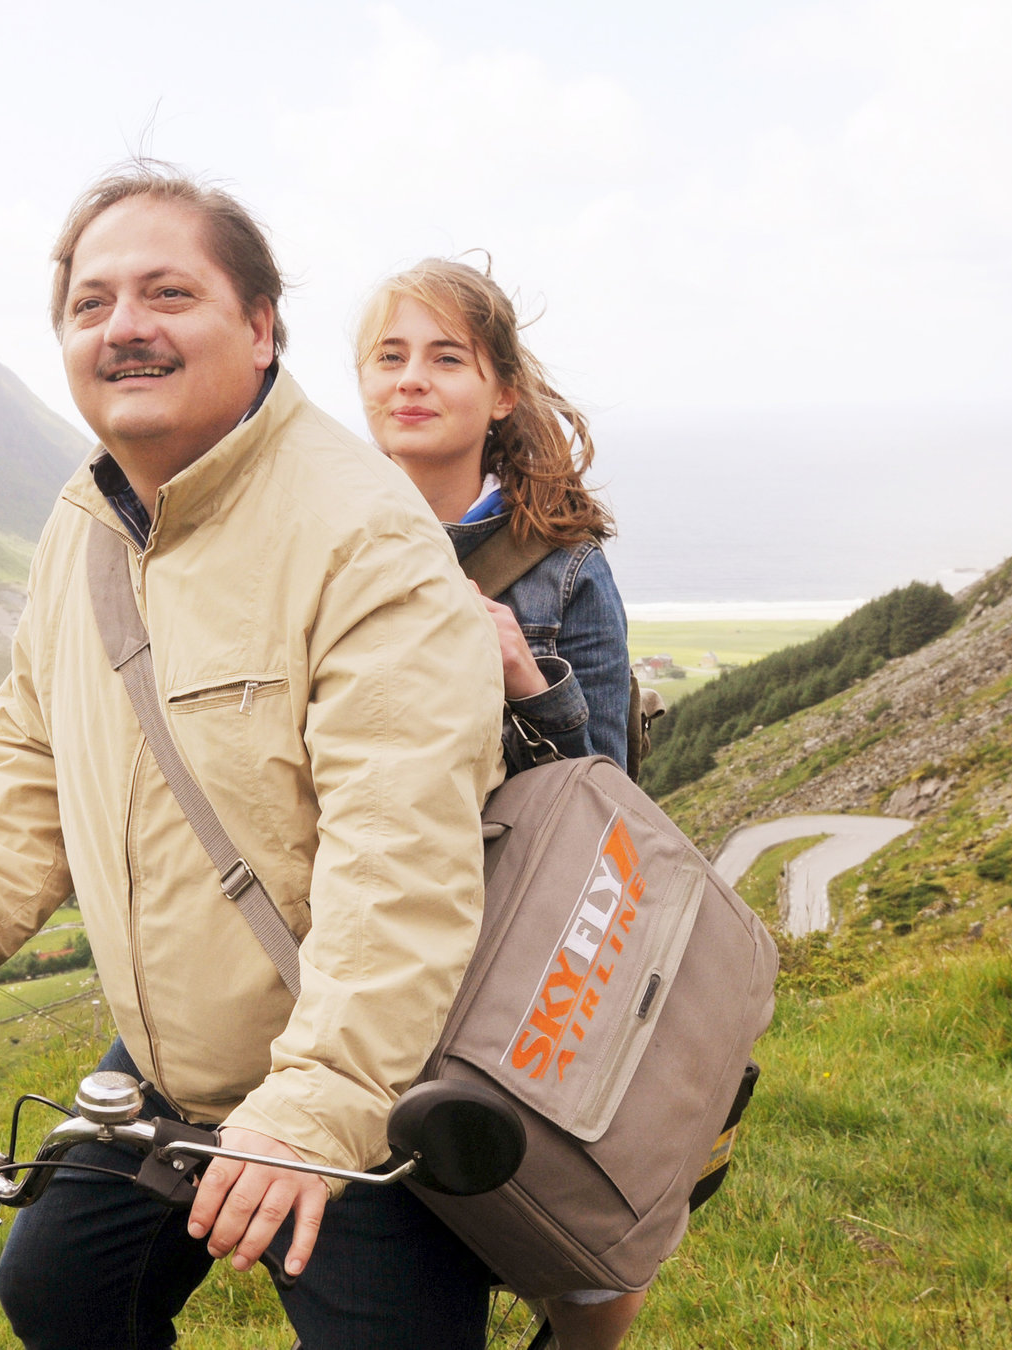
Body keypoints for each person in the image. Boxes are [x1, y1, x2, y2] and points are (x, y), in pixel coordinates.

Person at [0, 164, 509, 1350]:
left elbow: (403, 860)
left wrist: (315, 1111)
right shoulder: (87, 523)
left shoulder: (363, 536)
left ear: (261, 328)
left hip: (358, 1070)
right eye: (92, 304)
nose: (124, 328)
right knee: (58, 1294)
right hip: (171, 1063)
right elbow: (30, 747)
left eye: (168, 294)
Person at [357, 257, 642, 1349]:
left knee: (546, 1216)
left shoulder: (563, 568)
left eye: (446, 359)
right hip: (358, 914)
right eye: (389, 358)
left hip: (502, 930)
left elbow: (605, 801)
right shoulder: (324, 537)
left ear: (502, 391)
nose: (412, 382)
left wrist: (531, 687)